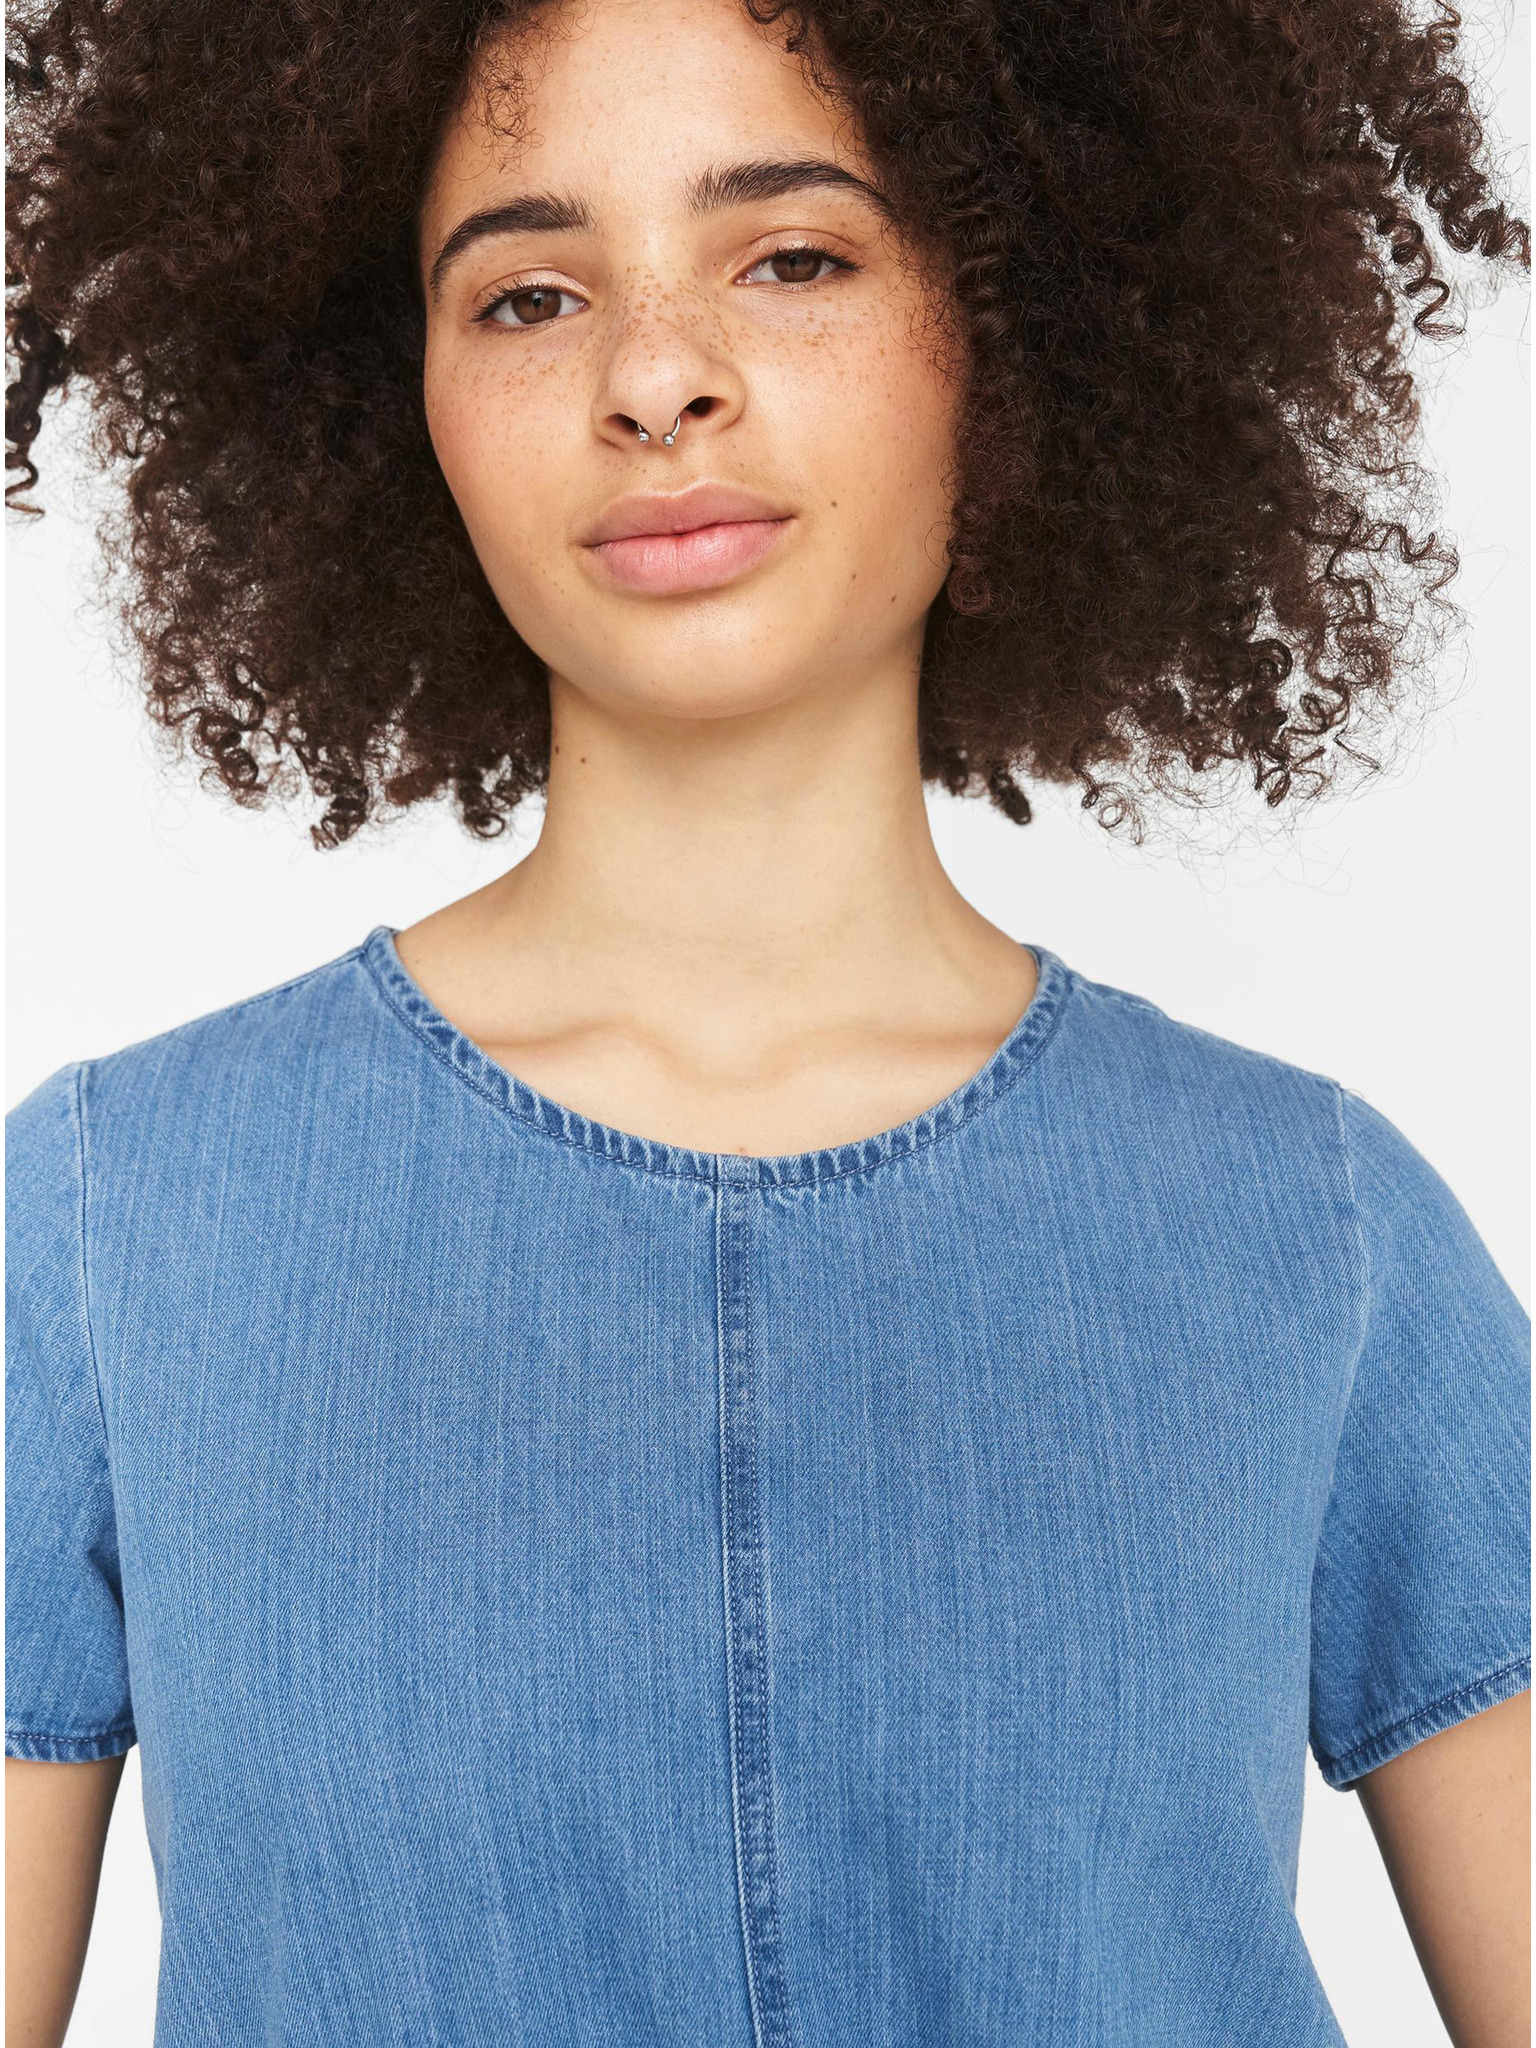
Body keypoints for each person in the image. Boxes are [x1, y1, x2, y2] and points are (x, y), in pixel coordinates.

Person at [5, 0, 1529, 2041]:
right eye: (529, 296)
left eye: (795, 257)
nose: (656, 379)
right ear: (395, 395)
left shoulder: (1314, 1233)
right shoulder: (109, 1230)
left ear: (1016, 324)